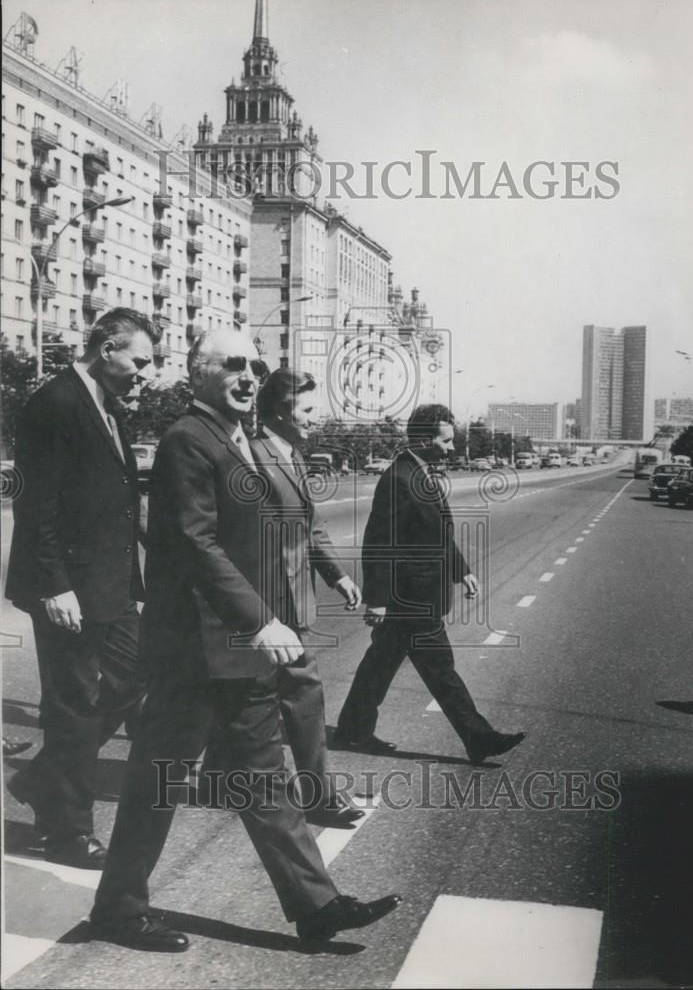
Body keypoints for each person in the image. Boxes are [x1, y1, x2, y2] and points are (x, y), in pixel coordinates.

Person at [89, 330, 400, 952]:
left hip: (235, 648)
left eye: (254, 367)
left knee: (262, 778)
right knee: (160, 780)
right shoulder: (187, 439)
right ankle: (118, 909)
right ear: (197, 373)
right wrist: (260, 619)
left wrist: (268, 614)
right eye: (232, 365)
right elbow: (196, 542)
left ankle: (316, 906)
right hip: (192, 652)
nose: (248, 377)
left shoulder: (239, 441)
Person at [5, 309, 160, 868]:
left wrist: (135, 585)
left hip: (109, 585)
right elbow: (36, 505)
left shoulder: (108, 406)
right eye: (138, 361)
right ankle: (66, 833)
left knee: (138, 673)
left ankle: (43, 779)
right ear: (105, 346)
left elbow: (120, 508)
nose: (144, 373)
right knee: (73, 706)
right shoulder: (56, 403)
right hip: (66, 587)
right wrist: (53, 587)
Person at [335, 403, 525, 764]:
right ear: (423, 439)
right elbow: (379, 543)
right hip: (410, 597)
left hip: (419, 593)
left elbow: (435, 535)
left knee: (381, 662)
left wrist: (462, 570)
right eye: (446, 441)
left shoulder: (421, 473)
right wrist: (377, 599)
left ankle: (352, 731)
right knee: (440, 667)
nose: (452, 448)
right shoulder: (398, 479)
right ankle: (478, 737)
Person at [242, 368, 364, 827]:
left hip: (290, 599)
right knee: (303, 691)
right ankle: (318, 796)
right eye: (308, 409)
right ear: (280, 410)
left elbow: (309, 526)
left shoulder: (291, 455)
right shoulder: (253, 457)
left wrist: (337, 576)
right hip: (269, 602)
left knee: (231, 697)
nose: (317, 417)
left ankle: (219, 773)